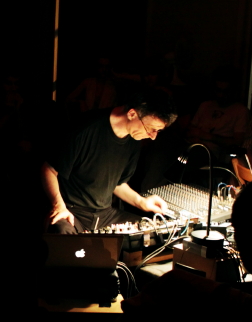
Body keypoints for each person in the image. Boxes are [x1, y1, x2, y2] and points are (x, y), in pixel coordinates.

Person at [42, 89, 177, 234]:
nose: (153, 136)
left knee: (152, 232)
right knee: (64, 236)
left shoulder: (134, 138)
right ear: (132, 114)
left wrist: (141, 202)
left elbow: (117, 184)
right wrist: (59, 205)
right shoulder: (85, 129)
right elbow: (49, 169)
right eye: (150, 129)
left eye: (157, 131)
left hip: (105, 215)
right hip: (71, 210)